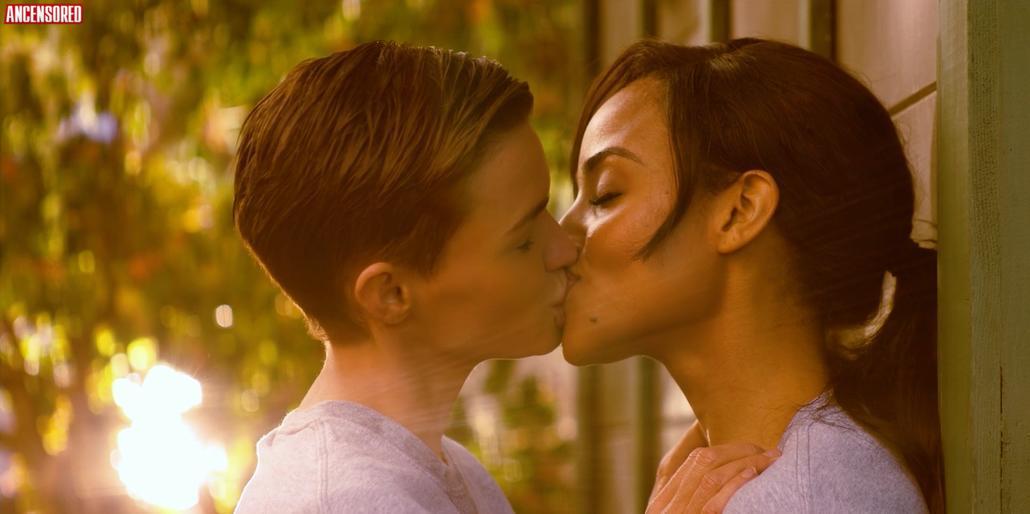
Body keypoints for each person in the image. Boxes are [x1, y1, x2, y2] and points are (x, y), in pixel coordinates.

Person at [560, 38, 942, 513]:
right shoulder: (811, 476)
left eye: (605, 195)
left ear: (740, 210)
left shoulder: (806, 495)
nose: (562, 236)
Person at [232, 41, 577, 513]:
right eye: (523, 240)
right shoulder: (344, 502)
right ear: (390, 294)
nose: (565, 248)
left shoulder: (443, 471)